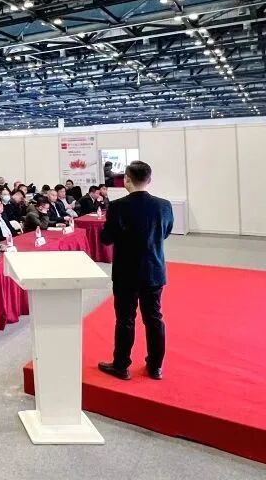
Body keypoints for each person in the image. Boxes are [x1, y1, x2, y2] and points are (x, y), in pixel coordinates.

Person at [98, 161, 174, 381]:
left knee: (125, 319)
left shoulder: (118, 206)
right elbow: (165, 232)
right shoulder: (164, 205)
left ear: (126, 180)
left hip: (126, 272)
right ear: (149, 180)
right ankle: (155, 367)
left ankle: (121, 365)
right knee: (154, 318)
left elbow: (106, 239)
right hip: (154, 269)